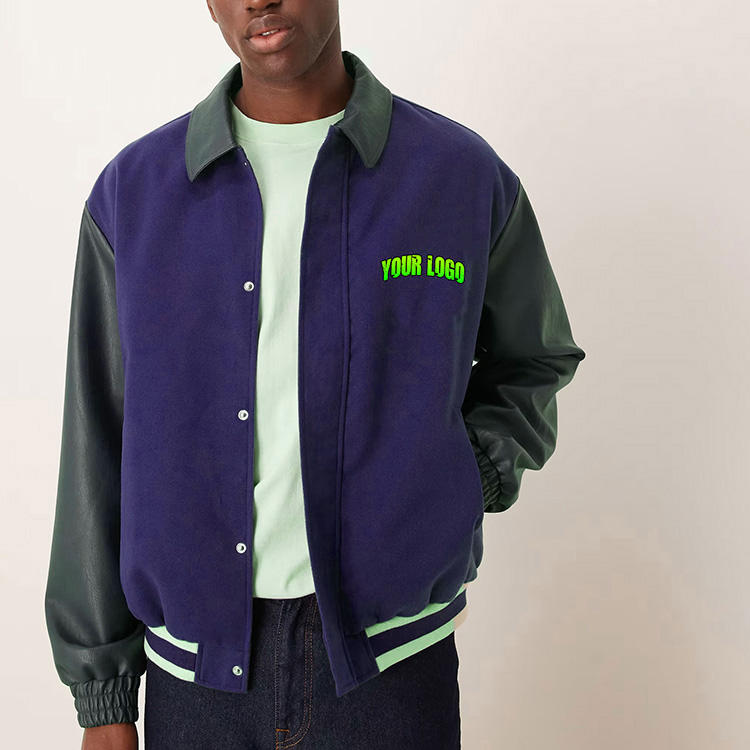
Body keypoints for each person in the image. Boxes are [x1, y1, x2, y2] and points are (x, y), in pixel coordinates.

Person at [44, 1, 586, 748]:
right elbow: (95, 437)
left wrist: (470, 477)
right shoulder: (134, 194)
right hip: (195, 685)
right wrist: (103, 697)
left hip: (394, 670)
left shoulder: (458, 176)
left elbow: (535, 358)